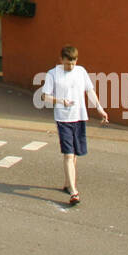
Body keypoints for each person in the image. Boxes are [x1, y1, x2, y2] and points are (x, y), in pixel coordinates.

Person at [41, 44, 108, 204]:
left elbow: (89, 91)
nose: (70, 66)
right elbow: (44, 96)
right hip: (63, 118)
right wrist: (60, 101)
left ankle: (67, 184)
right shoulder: (53, 74)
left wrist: (100, 109)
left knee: (75, 154)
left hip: (79, 117)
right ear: (61, 60)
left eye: (73, 63)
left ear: (76, 60)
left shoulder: (81, 71)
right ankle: (74, 191)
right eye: (67, 63)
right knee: (68, 154)